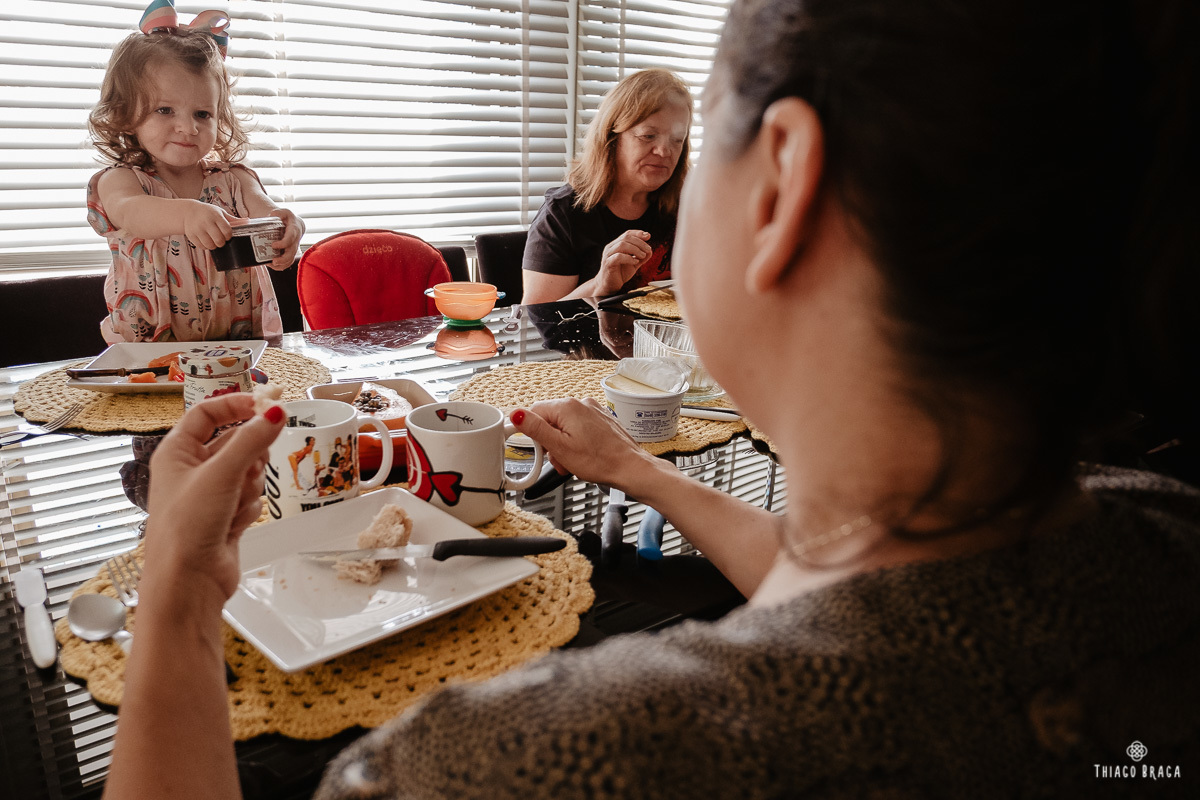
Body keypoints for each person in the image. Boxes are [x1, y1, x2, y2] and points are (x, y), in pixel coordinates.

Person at [101, 1, 1200, 798]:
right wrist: (639, 472)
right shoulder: (1165, 529)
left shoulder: (505, 766)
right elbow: (917, 608)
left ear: (783, 182)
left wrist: (185, 595)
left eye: (699, 140)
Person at [86, 1, 304, 344]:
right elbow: (131, 212)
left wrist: (286, 224)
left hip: (239, 344)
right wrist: (187, 213)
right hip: (148, 351)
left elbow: (265, 210)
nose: (187, 127)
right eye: (165, 110)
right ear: (126, 115)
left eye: (202, 114)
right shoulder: (122, 180)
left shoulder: (233, 179)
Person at [521, 68, 692, 304]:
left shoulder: (687, 206)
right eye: (648, 136)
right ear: (612, 139)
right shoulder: (562, 214)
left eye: (677, 139)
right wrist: (600, 284)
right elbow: (536, 322)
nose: (664, 151)